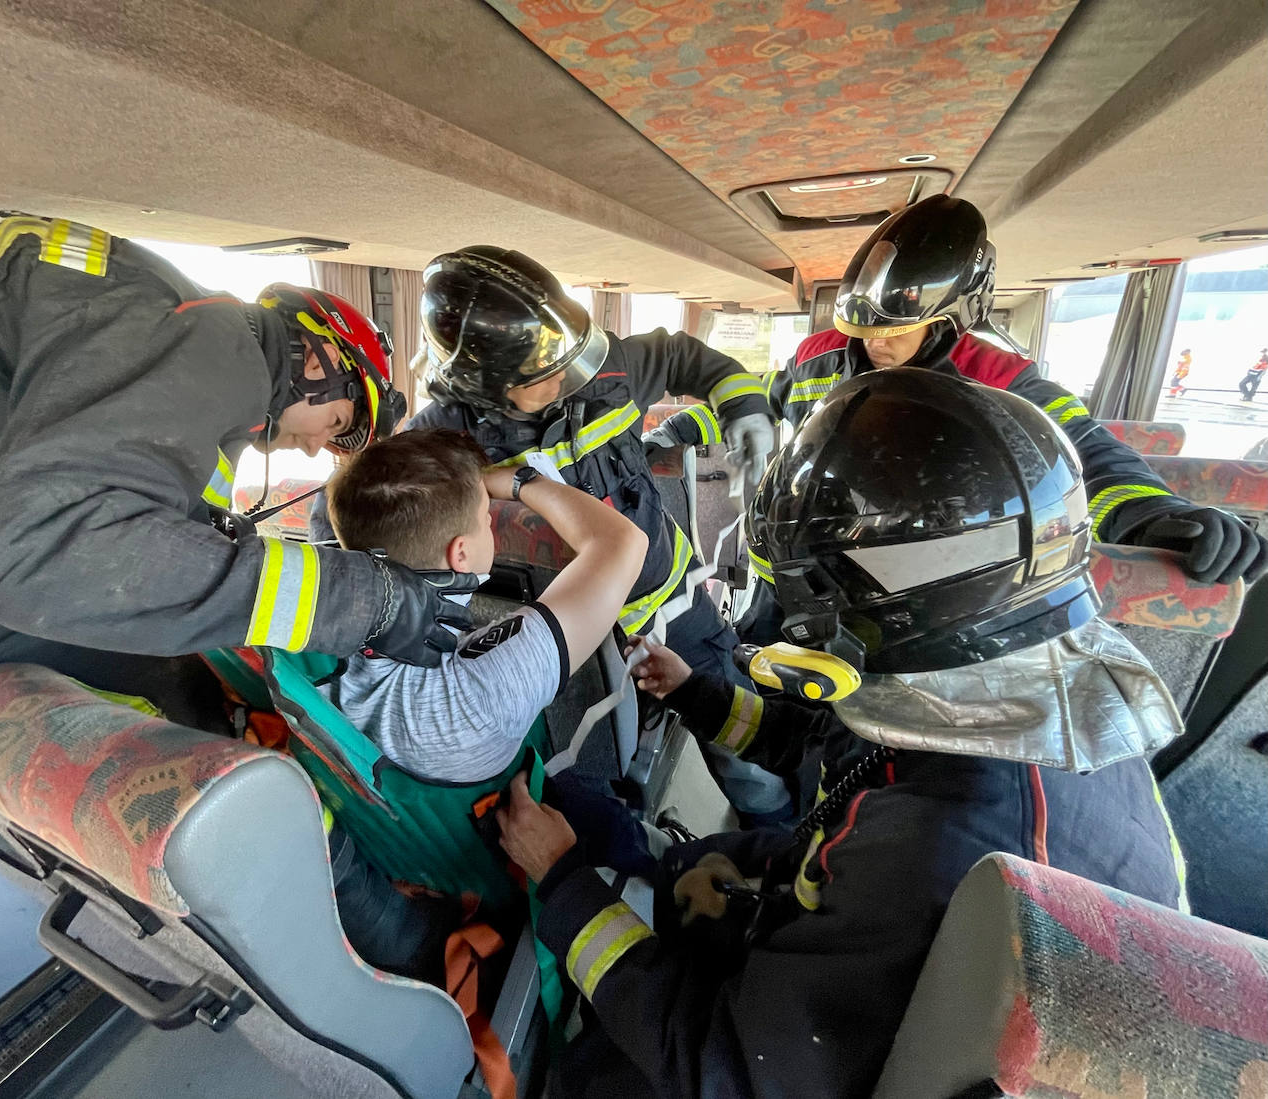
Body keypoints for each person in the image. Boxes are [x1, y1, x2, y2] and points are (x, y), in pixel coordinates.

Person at [496, 370, 1185, 1099]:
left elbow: (722, 1068)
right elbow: (839, 757)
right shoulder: (998, 698)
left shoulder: (937, 860)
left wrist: (565, 885)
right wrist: (697, 694)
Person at [0, 213, 480, 738]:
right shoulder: (211, 342)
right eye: (341, 423)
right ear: (320, 359)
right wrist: (352, 598)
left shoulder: (185, 352)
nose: (318, 449)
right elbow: (46, 551)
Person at [721, 198, 1263, 646]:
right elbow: (754, 404)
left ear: (950, 319)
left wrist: (1150, 511)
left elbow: (1085, 454)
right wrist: (680, 432)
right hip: (797, 574)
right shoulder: (816, 358)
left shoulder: (1002, 381)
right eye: (863, 329)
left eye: (897, 329)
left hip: (921, 593)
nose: (875, 343)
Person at [406, 245, 793, 822]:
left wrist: (746, 410)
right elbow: (374, 510)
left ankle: (777, 837)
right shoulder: (437, 442)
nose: (567, 375)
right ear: (489, 386)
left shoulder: (608, 370)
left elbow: (688, 358)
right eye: (544, 374)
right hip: (569, 642)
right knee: (601, 767)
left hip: (675, 606)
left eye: (570, 356)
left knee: (736, 741)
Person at [323, 428, 647, 782]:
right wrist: (523, 481)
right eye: (485, 517)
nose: (491, 521)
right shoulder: (477, 692)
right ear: (460, 553)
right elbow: (624, 542)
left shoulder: (320, 628)